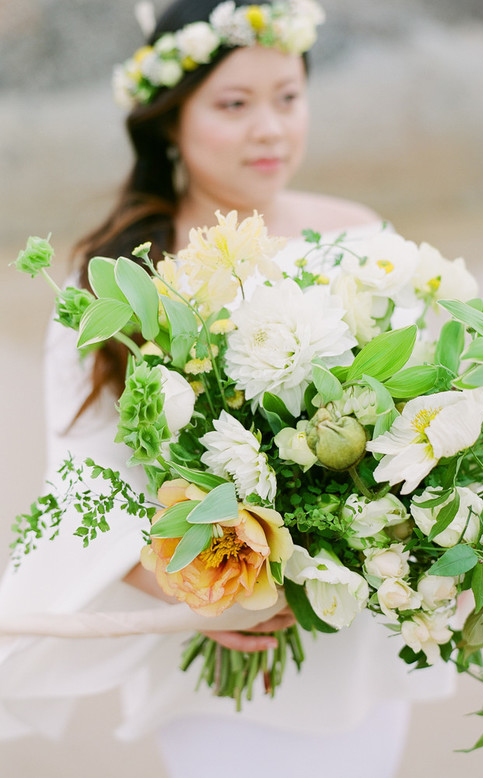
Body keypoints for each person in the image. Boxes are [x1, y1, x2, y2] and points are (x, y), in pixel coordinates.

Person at [0, 2, 454, 775]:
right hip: (213, 642)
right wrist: (196, 592)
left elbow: (427, 421)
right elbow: (87, 480)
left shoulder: (363, 241)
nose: (271, 129)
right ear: (170, 120)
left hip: (354, 635)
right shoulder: (117, 274)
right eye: (235, 104)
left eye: (288, 96)